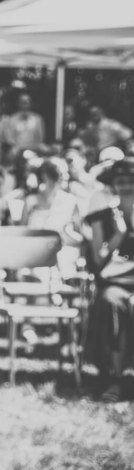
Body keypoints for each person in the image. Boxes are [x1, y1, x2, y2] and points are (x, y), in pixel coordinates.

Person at [84, 158, 134, 403]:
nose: (126, 185)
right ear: (113, 184)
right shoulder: (102, 216)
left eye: (131, 180)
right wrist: (120, 233)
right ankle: (114, 377)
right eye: (121, 181)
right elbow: (98, 259)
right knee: (112, 303)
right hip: (113, 282)